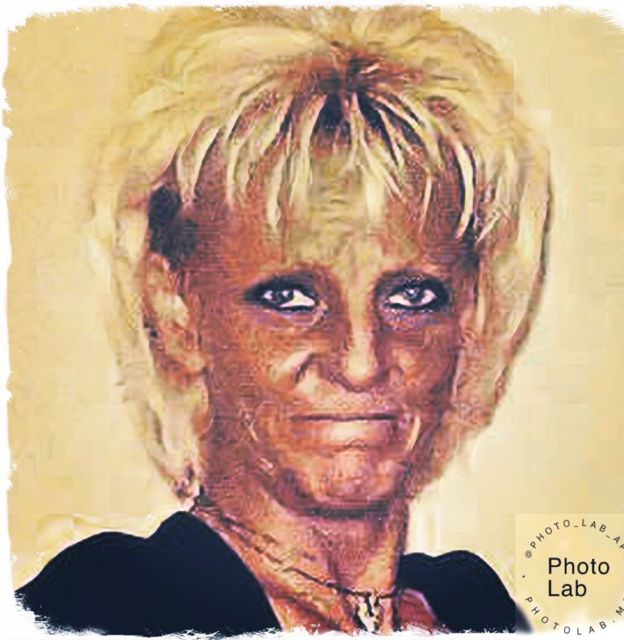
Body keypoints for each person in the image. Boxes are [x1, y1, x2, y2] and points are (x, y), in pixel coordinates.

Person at [16, 6, 549, 635]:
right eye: (291, 298)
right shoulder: (106, 607)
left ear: (471, 316)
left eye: (411, 297)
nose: (361, 361)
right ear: (177, 311)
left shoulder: (474, 608)